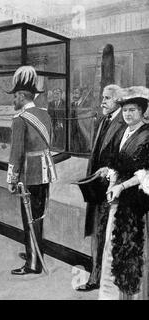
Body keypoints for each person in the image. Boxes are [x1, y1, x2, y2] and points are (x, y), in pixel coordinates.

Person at [96, 86, 149, 300]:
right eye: (125, 110)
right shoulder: (121, 132)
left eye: (133, 110)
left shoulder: (147, 135)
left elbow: (144, 173)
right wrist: (113, 182)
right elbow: (115, 164)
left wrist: (122, 186)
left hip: (137, 201)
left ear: (142, 111)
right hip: (118, 198)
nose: (128, 114)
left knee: (133, 247)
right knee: (113, 246)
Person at [6, 66, 57, 275]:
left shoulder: (20, 119)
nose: (13, 101)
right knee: (38, 216)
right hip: (44, 172)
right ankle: (35, 252)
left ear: (20, 95)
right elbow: (50, 142)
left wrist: (11, 178)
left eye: (14, 97)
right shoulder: (44, 115)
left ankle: (33, 263)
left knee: (29, 217)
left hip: (29, 174)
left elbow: (16, 153)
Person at [76, 84, 127, 292]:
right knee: (97, 233)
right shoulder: (105, 120)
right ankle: (96, 276)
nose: (102, 102)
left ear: (118, 101)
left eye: (107, 98)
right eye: (103, 98)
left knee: (107, 234)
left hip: (112, 189)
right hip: (97, 189)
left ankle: (103, 279)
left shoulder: (123, 124)